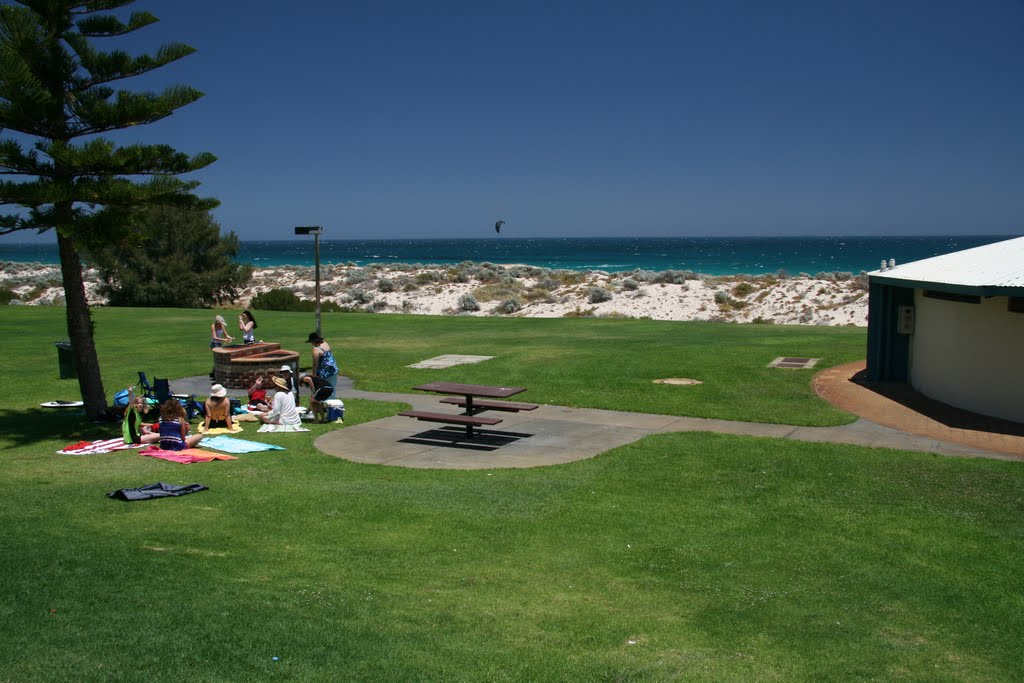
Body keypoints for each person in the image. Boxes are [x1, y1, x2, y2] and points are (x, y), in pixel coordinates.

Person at [306, 332, 339, 398]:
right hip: (333, 370)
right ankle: (332, 405)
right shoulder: (325, 343)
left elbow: (315, 365)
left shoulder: (316, 350)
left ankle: (324, 406)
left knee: (324, 391)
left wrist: (314, 376)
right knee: (332, 389)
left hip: (324, 374)